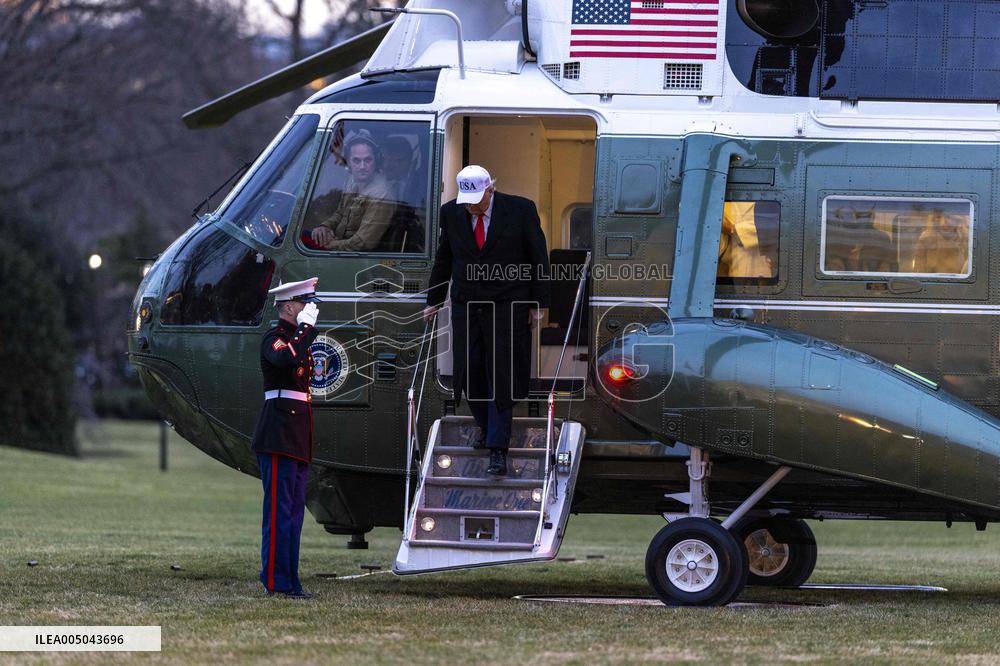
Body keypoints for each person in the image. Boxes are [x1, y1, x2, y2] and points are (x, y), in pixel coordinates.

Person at [424, 165, 550, 476]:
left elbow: (539, 258)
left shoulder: (520, 210)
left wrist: (538, 303)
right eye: (466, 199)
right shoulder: (452, 213)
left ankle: (498, 448)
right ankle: (484, 425)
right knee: (471, 370)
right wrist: (433, 300)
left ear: (490, 190)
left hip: (509, 304)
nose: (470, 206)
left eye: (476, 199)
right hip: (468, 305)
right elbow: (445, 258)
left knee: (502, 375)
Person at [250, 277, 321, 599]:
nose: (311, 308)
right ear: (290, 306)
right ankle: (276, 581)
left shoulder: (296, 338)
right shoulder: (275, 338)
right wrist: (306, 331)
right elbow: (285, 359)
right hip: (278, 434)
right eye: (305, 303)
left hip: (295, 435)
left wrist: (304, 332)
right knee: (279, 511)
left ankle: (290, 580)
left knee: (293, 512)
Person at [312, 130, 395, 251]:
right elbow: (340, 212)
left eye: (368, 160)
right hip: (341, 246)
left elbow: (362, 243)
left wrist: (330, 245)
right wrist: (325, 227)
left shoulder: (382, 195)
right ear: (349, 162)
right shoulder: (351, 180)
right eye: (356, 160)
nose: (362, 166)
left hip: (358, 259)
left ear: (376, 161)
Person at [912, 210, 970, 275]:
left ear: (958, 220)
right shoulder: (926, 239)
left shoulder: (967, 239)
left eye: (949, 217)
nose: (943, 223)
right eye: (938, 217)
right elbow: (918, 273)